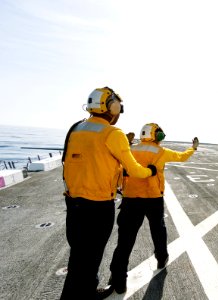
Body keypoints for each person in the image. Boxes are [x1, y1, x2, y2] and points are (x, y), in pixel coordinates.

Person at [60, 87, 157, 300]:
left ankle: (84, 291)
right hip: (98, 206)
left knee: (78, 257)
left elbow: (88, 159)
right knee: (92, 256)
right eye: (119, 108)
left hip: (73, 204)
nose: (119, 112)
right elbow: (134, 170)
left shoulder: (75, 128)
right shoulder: (113, 133)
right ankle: (83, 294)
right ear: (111, 107)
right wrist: (151, 170)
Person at [106, 123, 199, 294]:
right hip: (153, 198)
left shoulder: (130, 149)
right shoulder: (161, 152)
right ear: (156, 136)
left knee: (125, 239)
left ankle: (118, 280)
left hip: (130, 199)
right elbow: (182, 157)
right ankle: (161, 258)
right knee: (158, 230)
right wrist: (192, 148)